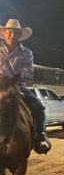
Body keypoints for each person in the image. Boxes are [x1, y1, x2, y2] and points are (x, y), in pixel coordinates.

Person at [0, 19, 51, 154]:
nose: (12, 35)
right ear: (4, 33)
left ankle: (40, 136)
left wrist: (16, 77)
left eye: (15, 33)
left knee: (38, 107)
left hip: (17, 85)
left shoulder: (27, 53)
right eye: (9, 32)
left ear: (19, 35)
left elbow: (29, 72)